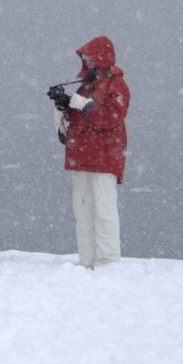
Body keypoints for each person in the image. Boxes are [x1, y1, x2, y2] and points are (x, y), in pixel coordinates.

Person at [48, 35, 130, 269]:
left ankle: (107, 262)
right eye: (85, 59)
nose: (87, 62)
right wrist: (64, 105)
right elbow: (79, 119)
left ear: (102, 57)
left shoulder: (116, 85)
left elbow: (111, 118)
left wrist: (81, 104)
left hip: (104, 157)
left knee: (104, 210)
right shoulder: (86, 85)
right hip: (83, 156)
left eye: (90, 58)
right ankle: (87, 260)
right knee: (82, 210)